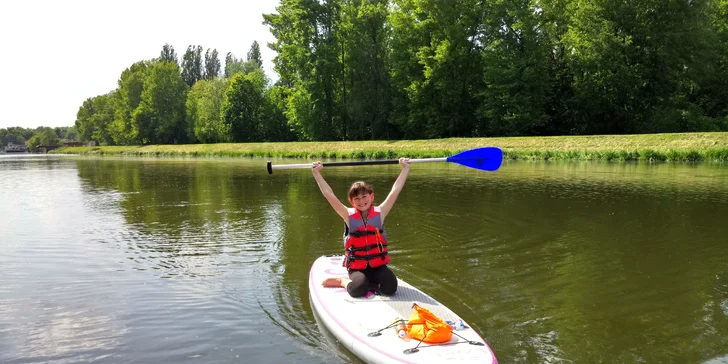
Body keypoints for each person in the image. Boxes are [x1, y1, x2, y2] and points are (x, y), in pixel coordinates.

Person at [312, 158, 411, 297]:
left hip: (377, 266)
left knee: (391, 288)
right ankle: (343, 281)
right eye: (356, 199)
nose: (361, 201)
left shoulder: (381, 212)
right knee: (358, 290)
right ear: (351, 202)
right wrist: (316, 173)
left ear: (371, 196)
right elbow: (329, 194)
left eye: (364, 196)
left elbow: (395, 190)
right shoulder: (347, 215)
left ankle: (370, 281)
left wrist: (405, 168)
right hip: (356, 268)